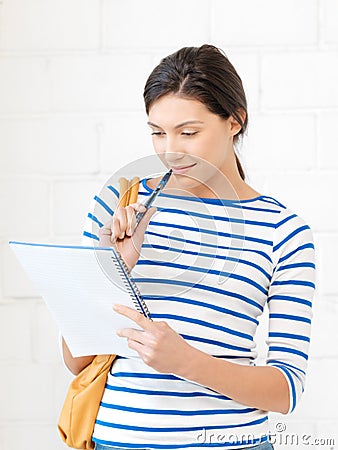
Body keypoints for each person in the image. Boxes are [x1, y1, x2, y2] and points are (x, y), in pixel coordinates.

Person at [61, 44, 316, 450]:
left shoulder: (283, 230)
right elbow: (75, 360)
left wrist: (186, 362)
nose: (170, 150)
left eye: (189, 132)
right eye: (158, 133)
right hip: (119, 441)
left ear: (235, 121)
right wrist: (115, 269)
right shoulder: (120, 205)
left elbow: (287, 389)